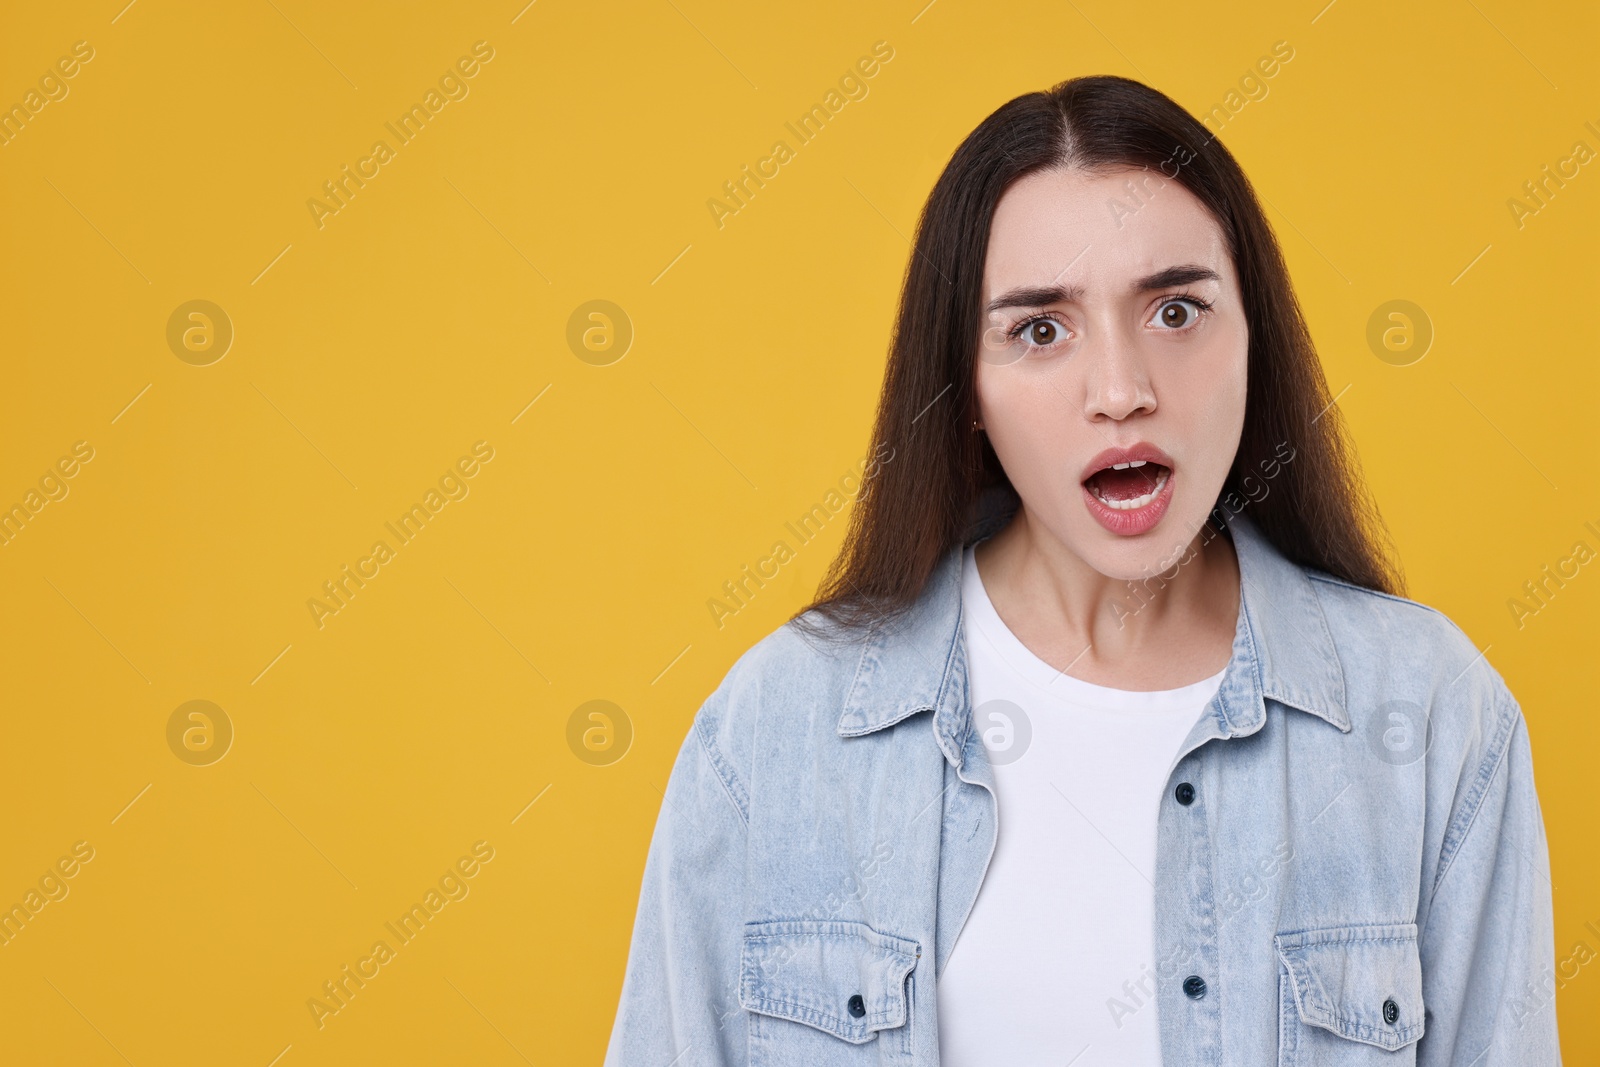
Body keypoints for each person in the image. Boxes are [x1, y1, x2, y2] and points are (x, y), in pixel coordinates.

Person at [604, 74, 1559, 1066]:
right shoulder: (776, 728)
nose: (1121, 389)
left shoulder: (1433, 716)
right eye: (1038, 329)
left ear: (1253, 339)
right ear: (962, 387)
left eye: (1176, 310)